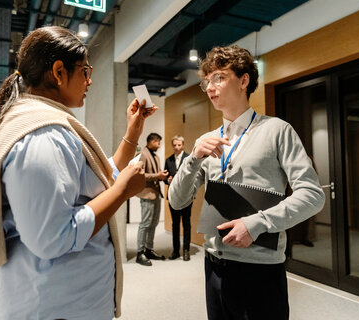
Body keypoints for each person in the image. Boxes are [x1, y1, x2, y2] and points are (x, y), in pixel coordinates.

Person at [0, 26, 156, 320]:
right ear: (58, 72)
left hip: (53, 301)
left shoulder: (42, 124)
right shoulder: (44, 136)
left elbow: (94, 180)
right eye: (84, 71)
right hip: (48, 305)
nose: (89, 80)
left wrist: (133, 132)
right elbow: (52, 238)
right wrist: (121, 192)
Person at [169, 45, 325, 320]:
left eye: (219, 77)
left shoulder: (276, 130)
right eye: (206, 81)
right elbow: (177, 200)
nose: (209, 87)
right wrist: (193, 157)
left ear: (243, 80)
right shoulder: (207, 141)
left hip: (260, 268)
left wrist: (257, 223)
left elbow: (312, 194)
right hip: (214, 265)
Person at [135, 132, 169, 266]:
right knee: (145, 224)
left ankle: (149, 249)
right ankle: (140, 252)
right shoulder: (142, 154)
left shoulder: (156, 156)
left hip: (156, 193)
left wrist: (164, 176)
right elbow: (139, 175)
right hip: (146, 193)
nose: (159, 145)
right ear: (150, 142)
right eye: (157, 142)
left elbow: (157, 173)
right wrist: (157, 176)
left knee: (154, 223)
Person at [164, 135, 192, 261]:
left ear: (183, 145)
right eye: (174, 145)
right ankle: (176, 250)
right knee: (175, 224)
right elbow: (165, 177)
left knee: (186, 223)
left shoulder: (188, 158)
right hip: (173, 196)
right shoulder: (168, 160)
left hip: (186, 196)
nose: (176, 147)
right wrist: (167, 179)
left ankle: (186, 250)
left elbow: (193, 176)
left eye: (179, 145)